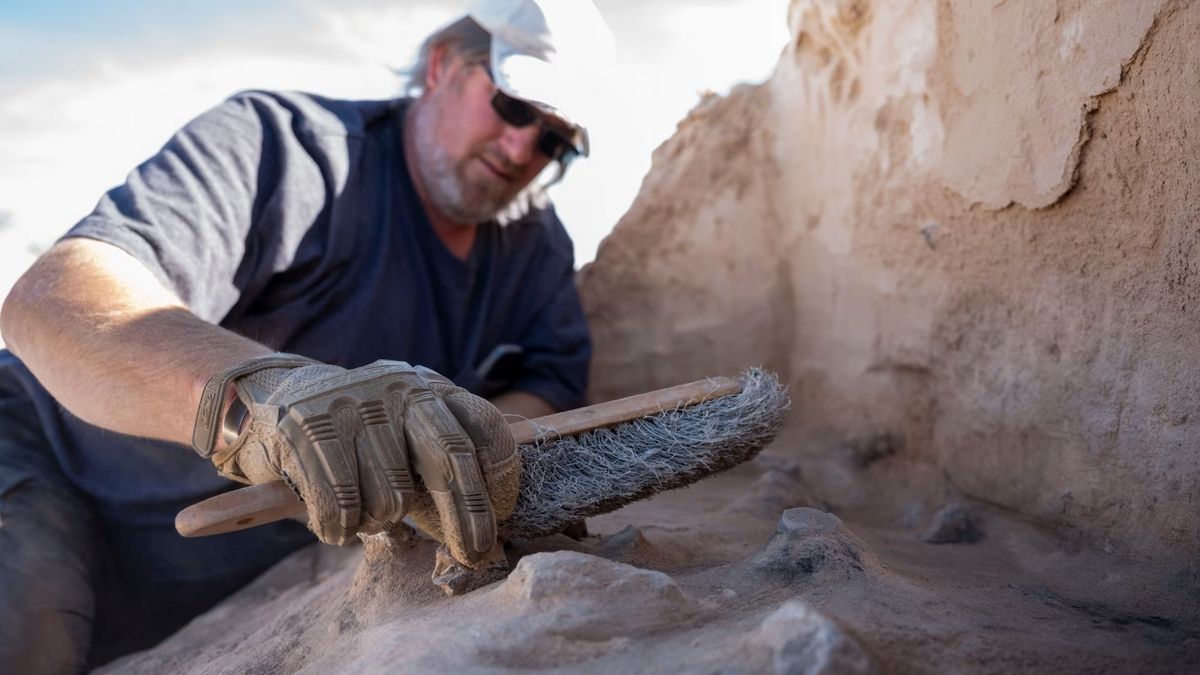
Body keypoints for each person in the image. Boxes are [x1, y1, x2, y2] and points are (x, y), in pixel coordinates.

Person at [0, 0, 614, 672]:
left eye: (555, 142)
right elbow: (50, 298)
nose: (524, 150)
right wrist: (276, 394)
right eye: (515, 107)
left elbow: (551, 381)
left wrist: (458, 445)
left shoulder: (533, 247)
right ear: (443, 66)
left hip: (217, 574)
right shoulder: (283, 149)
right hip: (43, 467)